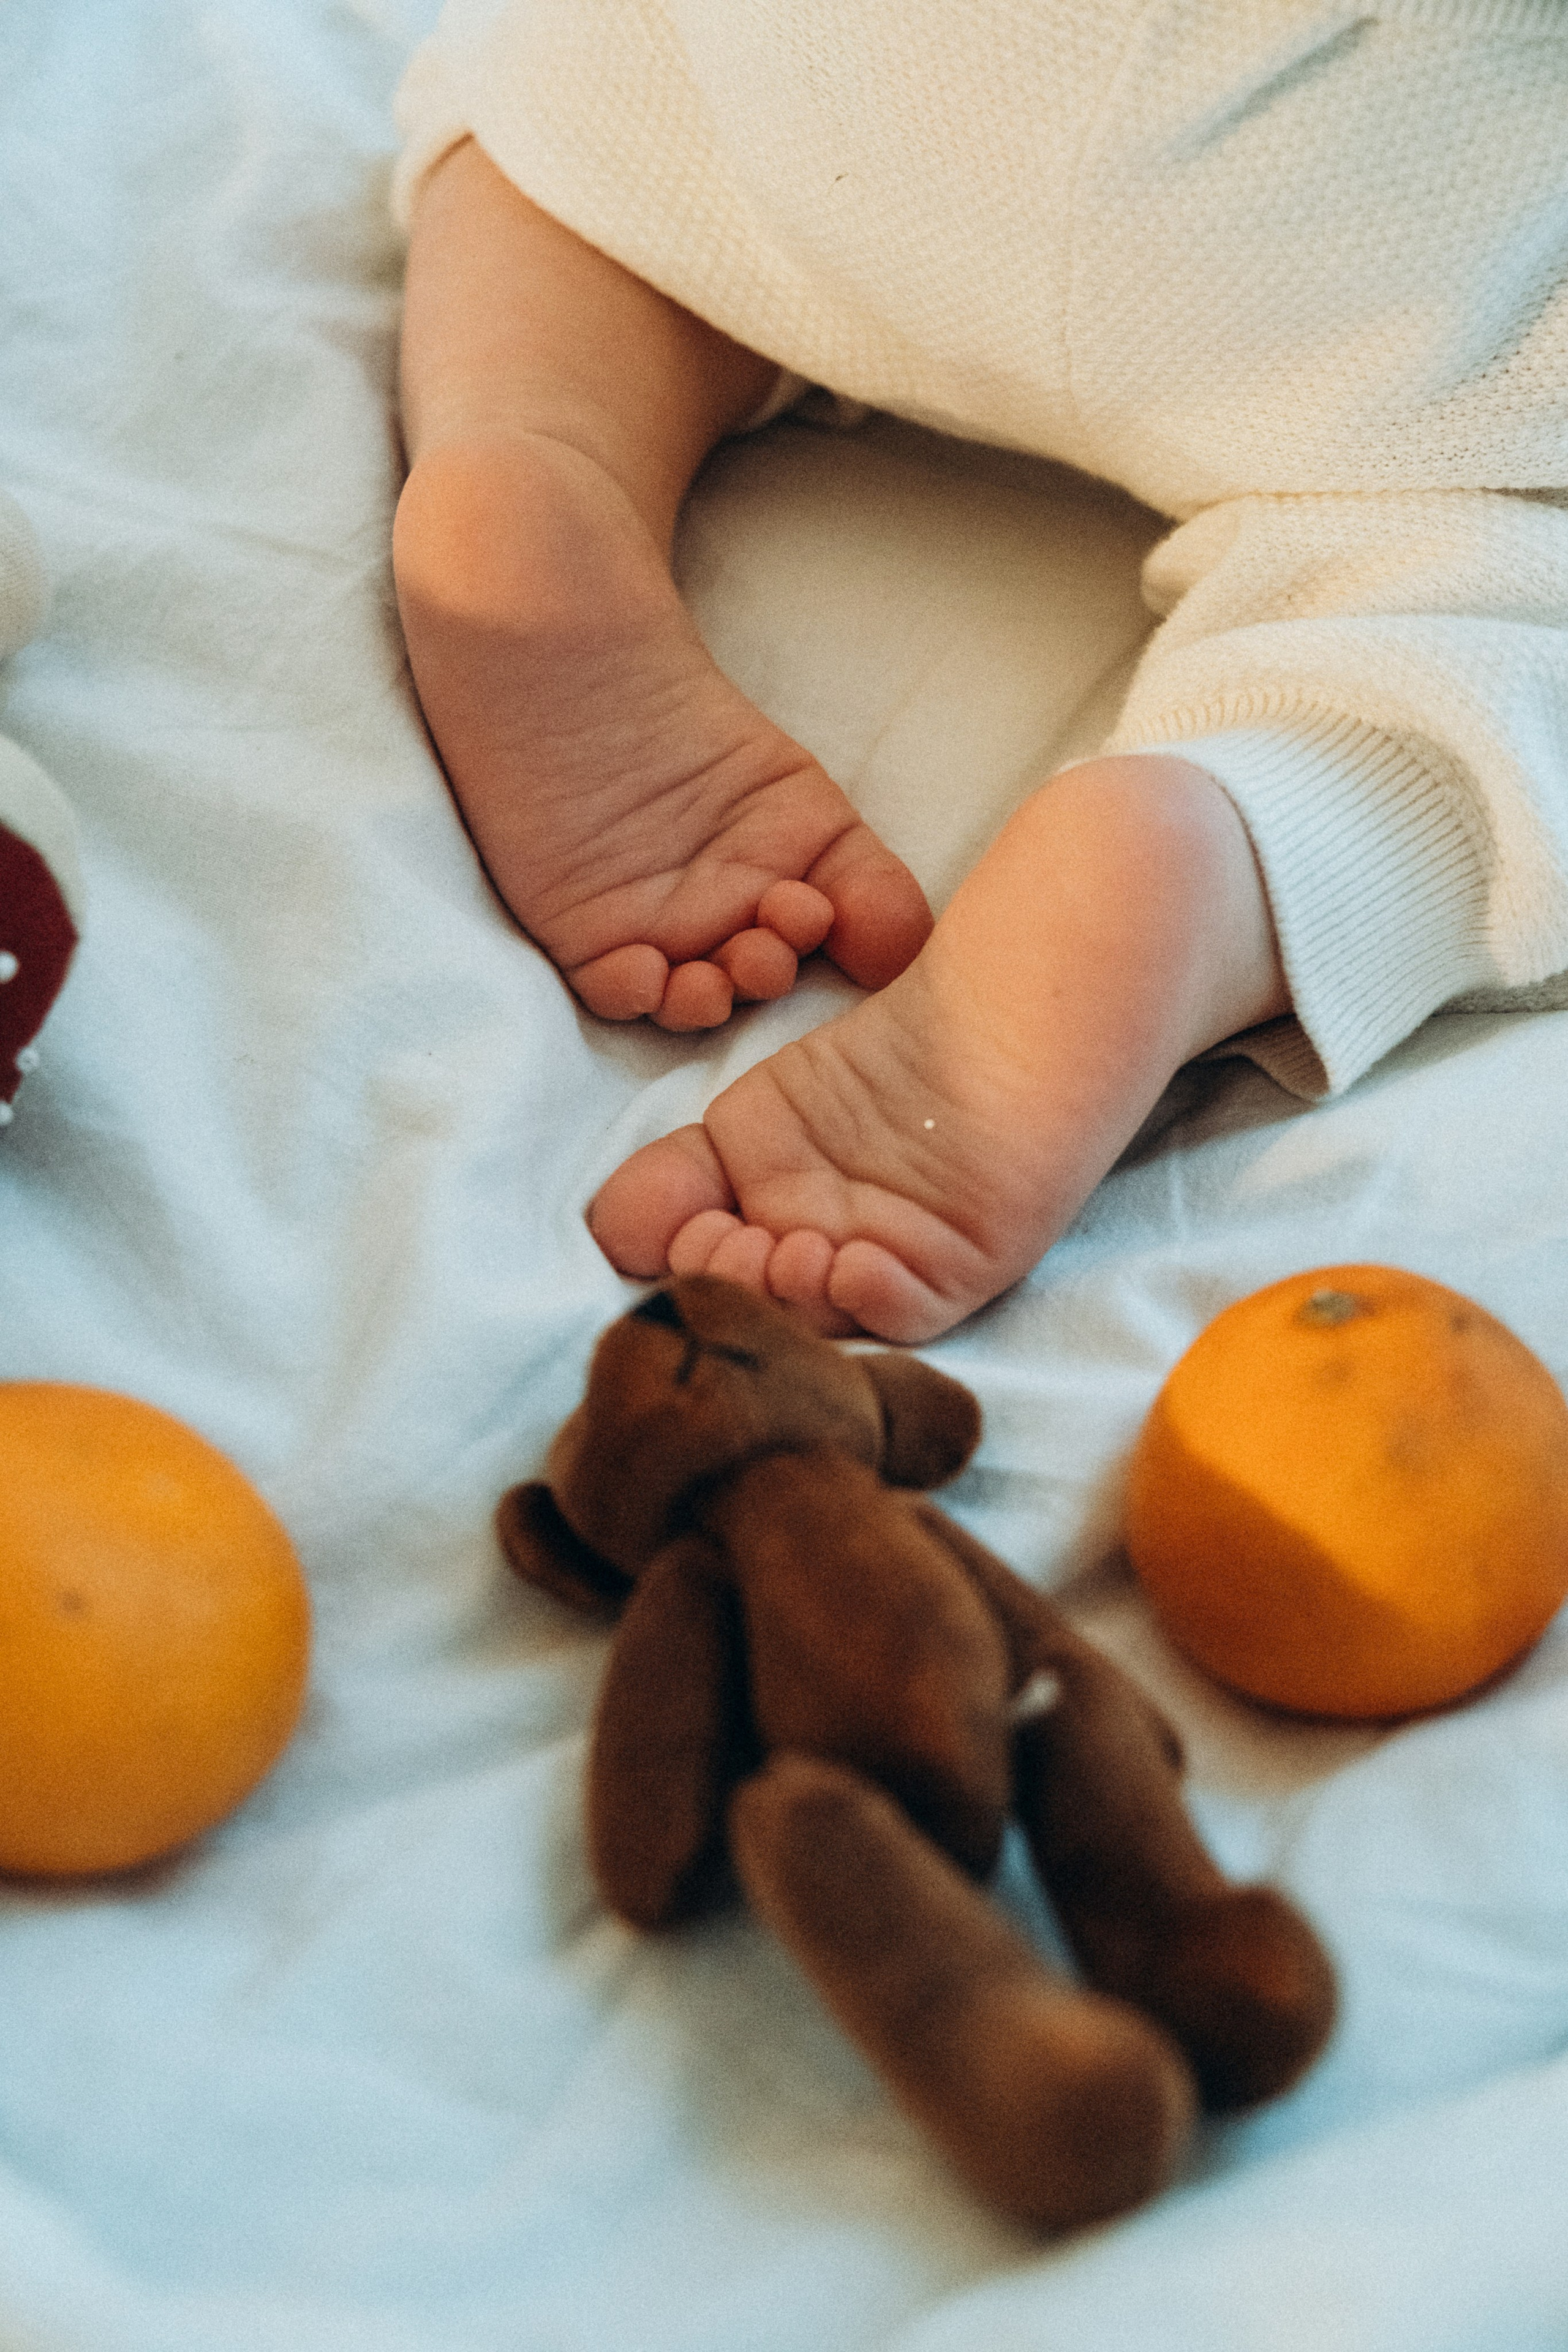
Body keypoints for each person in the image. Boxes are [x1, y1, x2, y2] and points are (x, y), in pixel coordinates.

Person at [390, 1, 1568, 1343]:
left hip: (885, 76)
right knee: (1514, 597)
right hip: (1407, 202)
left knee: (592, 139)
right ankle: (1221, 845)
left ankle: (539, 446)